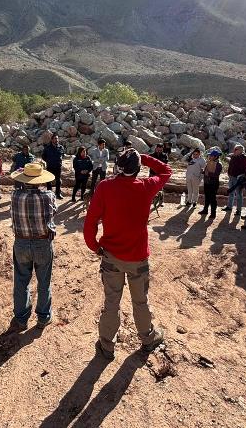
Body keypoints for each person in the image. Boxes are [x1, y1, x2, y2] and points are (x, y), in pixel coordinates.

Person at [83, 149, 171, 360]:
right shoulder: (146, 186)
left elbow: (90, 222)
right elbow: (166, 170)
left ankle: (106, 346)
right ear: (138, 168)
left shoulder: (105, 187)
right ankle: (148, 339)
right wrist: (144, 156)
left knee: (111, 302)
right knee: (140, 301)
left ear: (118, 166)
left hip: (111, 256)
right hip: (138, 258)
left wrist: (94, 247)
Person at [8, 163, 58, 330]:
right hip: (42, 243)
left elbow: (15, 174)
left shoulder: (15, 195)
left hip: (21, 242)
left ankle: (21, 318)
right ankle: (43, 317)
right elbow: (54, 212)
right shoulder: (48, 196)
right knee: (44, 281)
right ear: (40, 180)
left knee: (21, 281)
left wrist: (21, 172)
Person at [222, 144, 246, 216]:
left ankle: (239, 210)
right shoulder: (233, 156)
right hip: (231, 176)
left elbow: (245, 169)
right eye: (234, 149)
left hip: (238, 178)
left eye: (236, 149)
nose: (234, 150)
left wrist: (242, 177)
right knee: (231, 192)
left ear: (241, 150)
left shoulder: (244, 158)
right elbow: (231, 165)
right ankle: (229, 206)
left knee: (239, 194)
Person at [199, 148, 223, 218]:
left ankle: (213, 213)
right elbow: (206, 171)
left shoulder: (219, 165)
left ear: (215, 157)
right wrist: (203, 171)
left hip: (213, 183)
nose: (210, 157)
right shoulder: (209, 162)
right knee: (207, 197)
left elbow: (216, 174)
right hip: (207, 182)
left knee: (212, 198)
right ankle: (205, 210)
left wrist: (207, 173)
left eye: (211, 156)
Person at [42, 134, 65, 199]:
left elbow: (62, 155)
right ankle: (49, 194)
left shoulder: (61, 147)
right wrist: (49, 161)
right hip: (50, 166)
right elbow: (43, 156)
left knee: (58, 181)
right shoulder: (47, 148)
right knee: (49, 181)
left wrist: (59, 161)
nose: (56, 140)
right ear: (52, 140)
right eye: (55, 138)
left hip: (58, 166)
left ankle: (58, 193)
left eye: (57, 138)